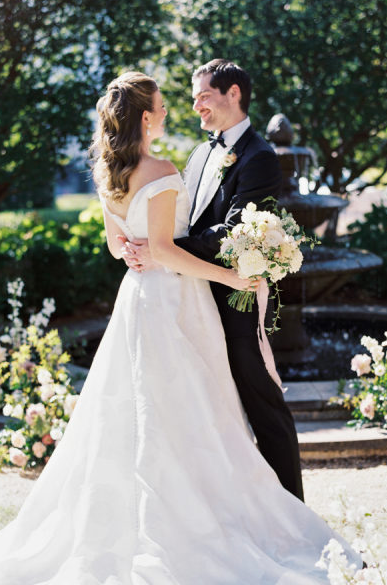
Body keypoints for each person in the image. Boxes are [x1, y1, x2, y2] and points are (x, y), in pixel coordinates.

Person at [0, 71, 360, 585]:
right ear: (145, 117)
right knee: (192, 412)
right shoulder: (163, 171)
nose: (173, 112)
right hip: (177, 298)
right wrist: (233, 276)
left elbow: (122, 244)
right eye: (164, 106)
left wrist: (132, 252)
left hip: (137, 302)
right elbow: (166, 250)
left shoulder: (107, 173)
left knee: (141, 413)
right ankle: (214, 525)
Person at [119, 59, 304, 501]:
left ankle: (293, 507)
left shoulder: (260, 156)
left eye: (204, 95)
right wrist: (153, 244)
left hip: (235, 298)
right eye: (194, 96)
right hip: (192, 298)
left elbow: (235, 230)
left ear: (233, 93)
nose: (196, 104)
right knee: (212, 411)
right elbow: (180, 219)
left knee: (262, 401)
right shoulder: (200, 153)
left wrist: (167, 252)